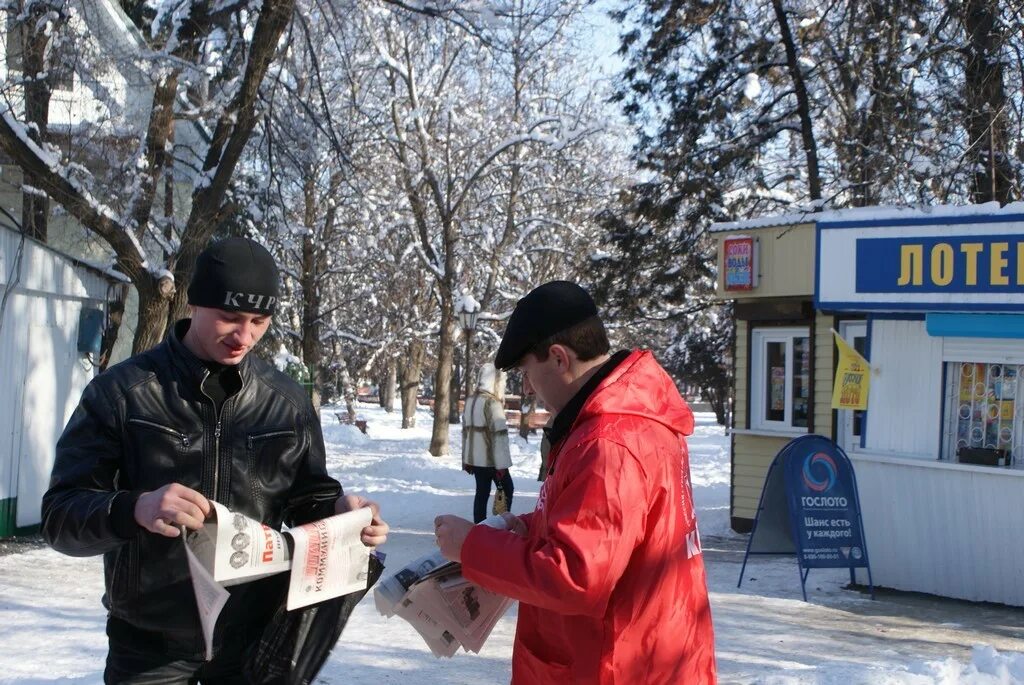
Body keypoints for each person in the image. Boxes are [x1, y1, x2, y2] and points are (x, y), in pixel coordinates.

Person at [41, 237, 389, 684]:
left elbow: (309, 500)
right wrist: (135, 508)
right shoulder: (122, 394)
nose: (244, 337)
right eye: (229, 317)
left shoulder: (286, 402)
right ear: (194, 304)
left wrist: (341, 514)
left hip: (253, 643)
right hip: (150, 647)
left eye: (259, 322)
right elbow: (59, 517)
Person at [434, 280, 716, 684]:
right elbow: (613, 531)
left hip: (614, 663)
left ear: (559, 358)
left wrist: (472, 547)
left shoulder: (609, 442)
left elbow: (577, 577)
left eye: (527, 374)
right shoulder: (624, 419)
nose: (528, 388)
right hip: (642, 652)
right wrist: (532, 527)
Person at [462, 363, 514, 523]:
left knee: (482, 493)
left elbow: (466, 433)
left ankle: (479, 527)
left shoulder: (471, 400)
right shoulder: (492, 402)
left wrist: (467, 460)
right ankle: (501, 525)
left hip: (476, 460)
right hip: (492, 461)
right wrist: (502, 465)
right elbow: (499, 437)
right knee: (507, 490)